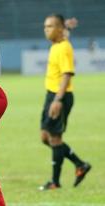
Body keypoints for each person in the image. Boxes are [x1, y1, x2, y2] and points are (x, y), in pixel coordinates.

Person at [39, 14, 91, 191]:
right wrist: (65, 27)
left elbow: (67, 74)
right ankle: (80, 164)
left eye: (50, 26)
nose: (46, 29)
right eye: (45, 26)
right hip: (51, 95)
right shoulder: (57, 43)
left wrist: (58, 100)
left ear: (59, 29)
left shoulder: (64, 47)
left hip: (59, 96)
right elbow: (62, 34)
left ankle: (55, 182)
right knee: (46, 137)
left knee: (55, 138)